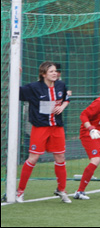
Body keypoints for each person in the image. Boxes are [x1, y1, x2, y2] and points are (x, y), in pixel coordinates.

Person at [16, 61, 72, 203]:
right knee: (33, 158)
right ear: (43, 74)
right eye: (51, 71)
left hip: (57, 127)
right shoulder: (33, 87)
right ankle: (19, 191)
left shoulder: (61, 85)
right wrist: (17, 74)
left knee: (60, 158)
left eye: (55, 71)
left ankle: (62, 190)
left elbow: (66, 98)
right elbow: (16, 92)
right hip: (40, 127)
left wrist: (63, 106)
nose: (55, 73)